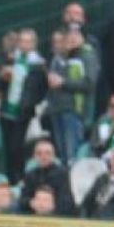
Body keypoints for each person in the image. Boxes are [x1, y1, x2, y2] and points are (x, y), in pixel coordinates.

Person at [0, 29, 47, 183]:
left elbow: (41, 89)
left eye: (28, 41)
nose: (24, 44)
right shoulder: (11, 59)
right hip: (6, 109)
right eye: (22, 41)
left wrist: (29, 104)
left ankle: (18, 178)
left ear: (34, 44)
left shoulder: (38, 65)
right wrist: (3, 79)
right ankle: (8, 178)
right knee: (7, 147)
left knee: (16, 146)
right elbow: (1, 86)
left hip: (23, 112)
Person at [44, 27, 94, 162]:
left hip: (73, 110)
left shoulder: (86, 57)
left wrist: (63, 82)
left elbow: (89, 83)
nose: (58, 45)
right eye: (55, 42)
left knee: (72, 153)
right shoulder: (55, 59)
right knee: (62, 152)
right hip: (56, 109)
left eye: (61, 41)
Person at [17, 138, 75, 215]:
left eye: (47, 153)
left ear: (53, 155)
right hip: (34, 215)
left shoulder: (63, 174)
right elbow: (22, 199)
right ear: (34, 156)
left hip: (57, 216)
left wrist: (49, 206)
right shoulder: (30, 175)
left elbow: (66, 202)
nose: (43, 156)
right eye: (39, 153)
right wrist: (31, 203)